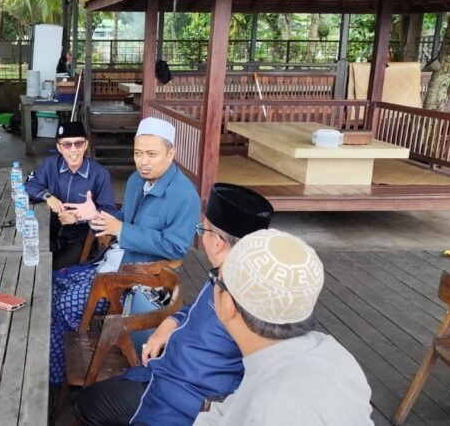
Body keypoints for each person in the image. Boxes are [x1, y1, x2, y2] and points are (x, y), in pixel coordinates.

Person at [74, 183, 274, 426]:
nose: (201, 235)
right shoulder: (228, 272)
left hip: (182, 396)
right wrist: (170, 322)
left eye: (203, 230)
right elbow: (198, 310)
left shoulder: (247, 298)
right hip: (169, 368)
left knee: (88, 404)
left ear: (218, 243)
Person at [47, 117, 200, 385]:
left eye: (151, 154)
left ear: (171, 153)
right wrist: (94, 215)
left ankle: (59, 376)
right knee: (50, 285)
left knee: (63, 304)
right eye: (138, 153)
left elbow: (176, 247)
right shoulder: (136, 180)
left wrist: (122, 230)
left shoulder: (184, 196)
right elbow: (125, 218)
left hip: (134, 279)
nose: (143, 162)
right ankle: (58, 365)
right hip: (111, 262)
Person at [195, 229, 372, 425]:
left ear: (227, 304)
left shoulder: (275, 408)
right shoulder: (331, 352)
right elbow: (234, 407)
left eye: (216, 277)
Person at [24, 122, 116, 269]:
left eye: (78, 143)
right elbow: (29, 186)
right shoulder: (50, 164)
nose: (73, 150)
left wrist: (78, 218)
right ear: (59, 148)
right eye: (67, 145)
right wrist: (48, 197)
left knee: (49, 270)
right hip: (49, 232)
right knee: (30, 262)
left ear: (85, 145)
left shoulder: (99, 174)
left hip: (79, 239)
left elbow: (110, 213)